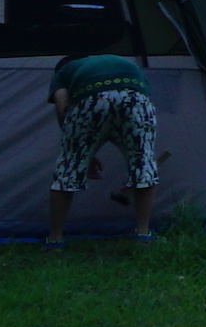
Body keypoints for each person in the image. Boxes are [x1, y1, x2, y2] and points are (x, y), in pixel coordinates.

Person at [45, 46, 163, 244]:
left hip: (92, 99)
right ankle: (143, 234)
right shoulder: (112, 61)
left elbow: (63, 107)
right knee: (143, 163)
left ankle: (54, 240)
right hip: (136, 98)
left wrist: (80, 152)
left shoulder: (64, 71)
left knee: (68, 170)